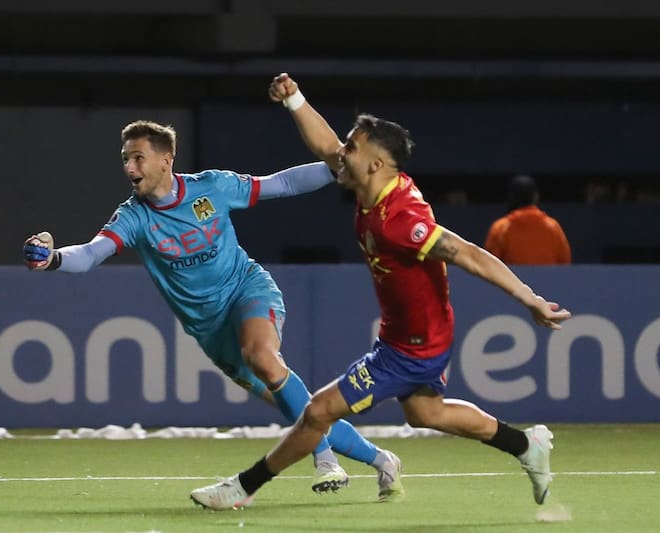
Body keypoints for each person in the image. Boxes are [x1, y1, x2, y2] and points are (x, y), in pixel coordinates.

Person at [190, 74, 572, 510]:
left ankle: (242, 488)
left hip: (411, 349)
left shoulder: (400, 219)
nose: (341, 151)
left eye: (351, 147)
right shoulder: (370, 183)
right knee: (426, 413)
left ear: (374, 164)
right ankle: (526, 445)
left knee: (318, 412)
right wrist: (294, 99)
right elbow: (324, 146)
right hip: (418, 334)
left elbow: (467, 253)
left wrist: (530, 299)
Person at [21, 119, 404, 496]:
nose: (129, 168)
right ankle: (382, 460)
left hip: (247, 291)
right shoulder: (134, 217)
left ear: (166, 159)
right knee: (299, 407)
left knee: (264, 358)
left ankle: (325, 460)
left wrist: (337, 166)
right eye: (125, 159)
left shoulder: (212, 187)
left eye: (138, 158)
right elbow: (89, 254)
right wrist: (52, 258)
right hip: (210, 331)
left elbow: (282, 183)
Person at [484, 175, 571, 265]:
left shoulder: (500, 228)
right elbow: (564, 262)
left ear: (511, 197)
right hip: (549, 279)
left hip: (513, 279)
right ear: (535, 197)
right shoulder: (553, 226)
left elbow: (491, 266)